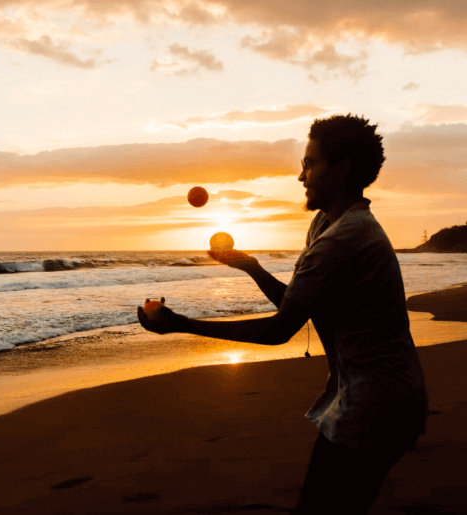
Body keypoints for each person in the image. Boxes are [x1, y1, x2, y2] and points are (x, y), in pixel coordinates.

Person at [137, 114, 429, 514]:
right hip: (371, 396)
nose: (300, 175)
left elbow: (280, 330)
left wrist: (180, 325)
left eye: (309, 163)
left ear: (341, 167)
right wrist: (252, 268)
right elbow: (298, 305)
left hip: (377, 403)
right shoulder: (327, 224)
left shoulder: (344, 238)